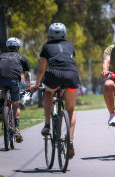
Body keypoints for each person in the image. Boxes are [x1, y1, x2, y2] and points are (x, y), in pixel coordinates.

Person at [31, 23, 79, 158]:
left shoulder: (46, 46)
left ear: (50, 33)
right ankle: (70, 140)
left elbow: (41, 70)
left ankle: (47, 125)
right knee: (70, 109)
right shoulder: (70, 45)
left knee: (48, 92)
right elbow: (69, 61)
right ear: (64, 33)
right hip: (71, 74)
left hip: (54, 74)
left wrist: (37, 84)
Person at [0, 37, 31, 143]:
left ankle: (1, 108)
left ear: (7, 47)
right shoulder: (21, 57)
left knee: (3, 90)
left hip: (0, 80)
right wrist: (28, 86)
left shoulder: (1, 56)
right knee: (15, 105)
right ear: (17, 47)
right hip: (14, 82)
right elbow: (26, 74)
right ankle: (16, 130)